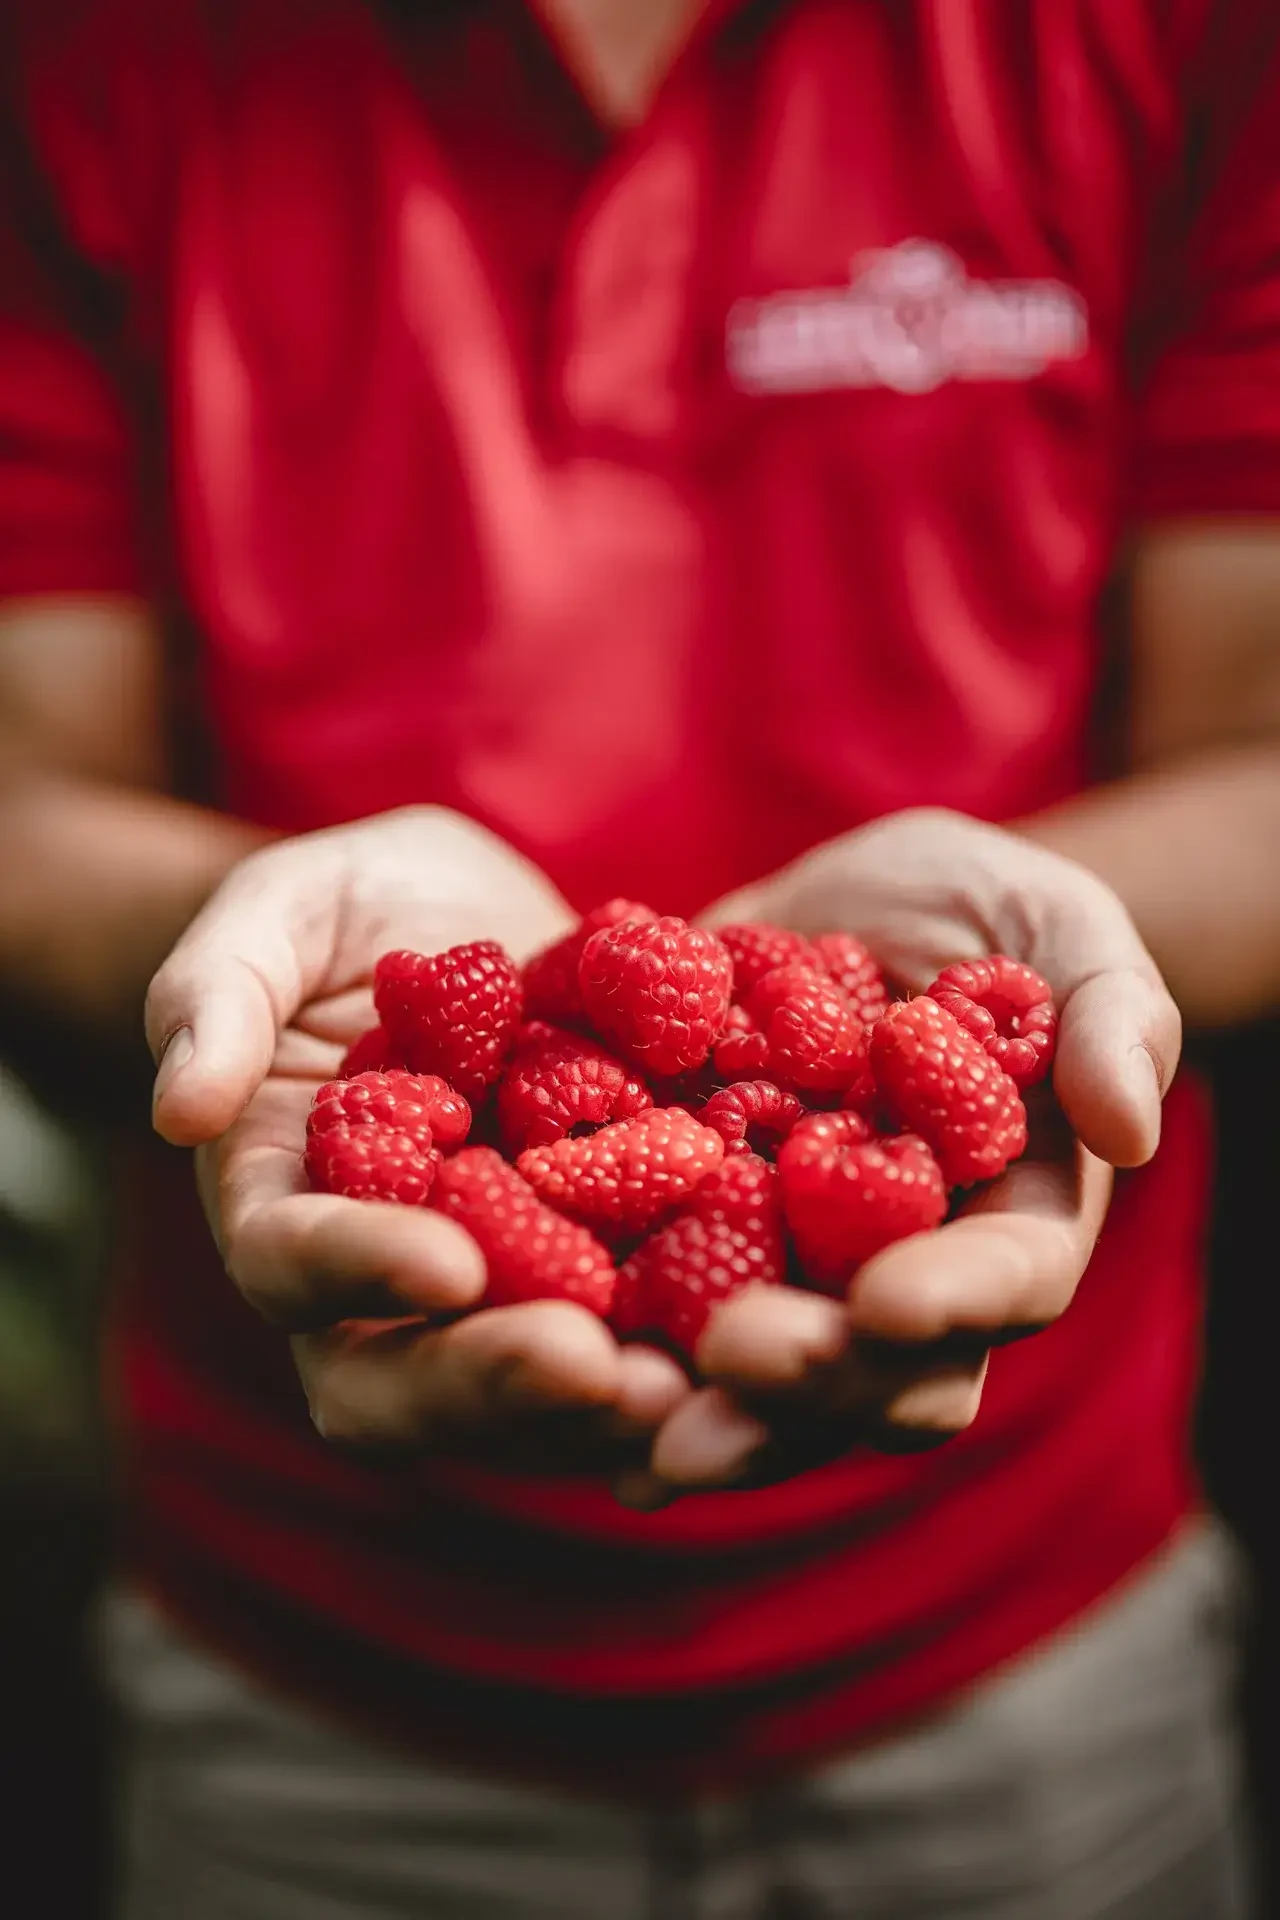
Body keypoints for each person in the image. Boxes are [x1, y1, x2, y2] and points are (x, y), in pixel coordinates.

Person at [2, 1, 1278, 1913]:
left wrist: (1015, 970)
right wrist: (244, 941)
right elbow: (26, 795)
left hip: (1029, 1640)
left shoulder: (1190, 38)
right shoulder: (78, 57)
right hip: (314, 1672)